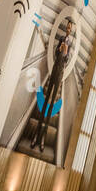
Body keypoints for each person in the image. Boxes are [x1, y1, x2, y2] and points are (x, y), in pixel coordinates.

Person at [31, 15, 76, 150]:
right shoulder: (62, 39)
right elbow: (56, 54)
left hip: (60, 75)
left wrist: (66, 52)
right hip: (54, 71)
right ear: (66, 28)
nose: (68, 30)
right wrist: (59, 49)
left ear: (72, 31)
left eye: (70, 28)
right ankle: (36, 134)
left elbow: (67, 61)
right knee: (45, 102)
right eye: (67, 27)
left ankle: (43, 135)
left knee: (51, 107)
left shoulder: (71, 44)